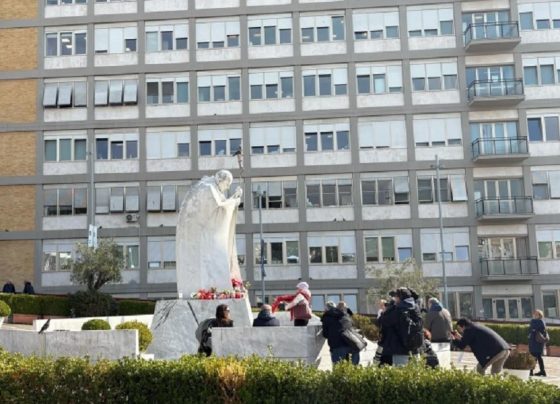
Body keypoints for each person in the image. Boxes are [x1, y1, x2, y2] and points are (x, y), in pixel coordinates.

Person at [176, 170, 243, 299]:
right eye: (227, 183)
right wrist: (234, 201)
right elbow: (218, 210)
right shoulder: (207, 189)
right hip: (202, 237)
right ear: (220, 179)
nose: (228, 187)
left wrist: (233, 198)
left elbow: (220, 206)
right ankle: (209, 290)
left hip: (206, 236)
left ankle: (216, 289)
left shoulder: (212, 188)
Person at [377, 287, 424, 366]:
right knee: (417, 374)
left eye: (396, 297)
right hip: (415, 347)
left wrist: (389, 309)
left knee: (401, 374)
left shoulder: (399, 309)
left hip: (400, 349)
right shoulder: (416, 308)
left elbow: (382, 321)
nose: (395, 299)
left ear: (399, 297)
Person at [321, 300, 359, 365]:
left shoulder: (326, 317)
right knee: (354, 371)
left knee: (339, 371)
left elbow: (325, 334)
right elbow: (352, 325)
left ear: (326, 309)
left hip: (337, 346)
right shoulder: (345, 314)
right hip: (352, 344)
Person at [529, 309, 547, 377]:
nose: (534, 315)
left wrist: (533, 329)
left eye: (536, 314)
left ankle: (531, 371)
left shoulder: (536, 321)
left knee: (534, 356)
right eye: (534, 314)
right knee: (538, 357)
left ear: (540, 315)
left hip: (536, 342)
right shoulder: (541, 321)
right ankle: (542, 371)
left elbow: (533, 329)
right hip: (537, 342)